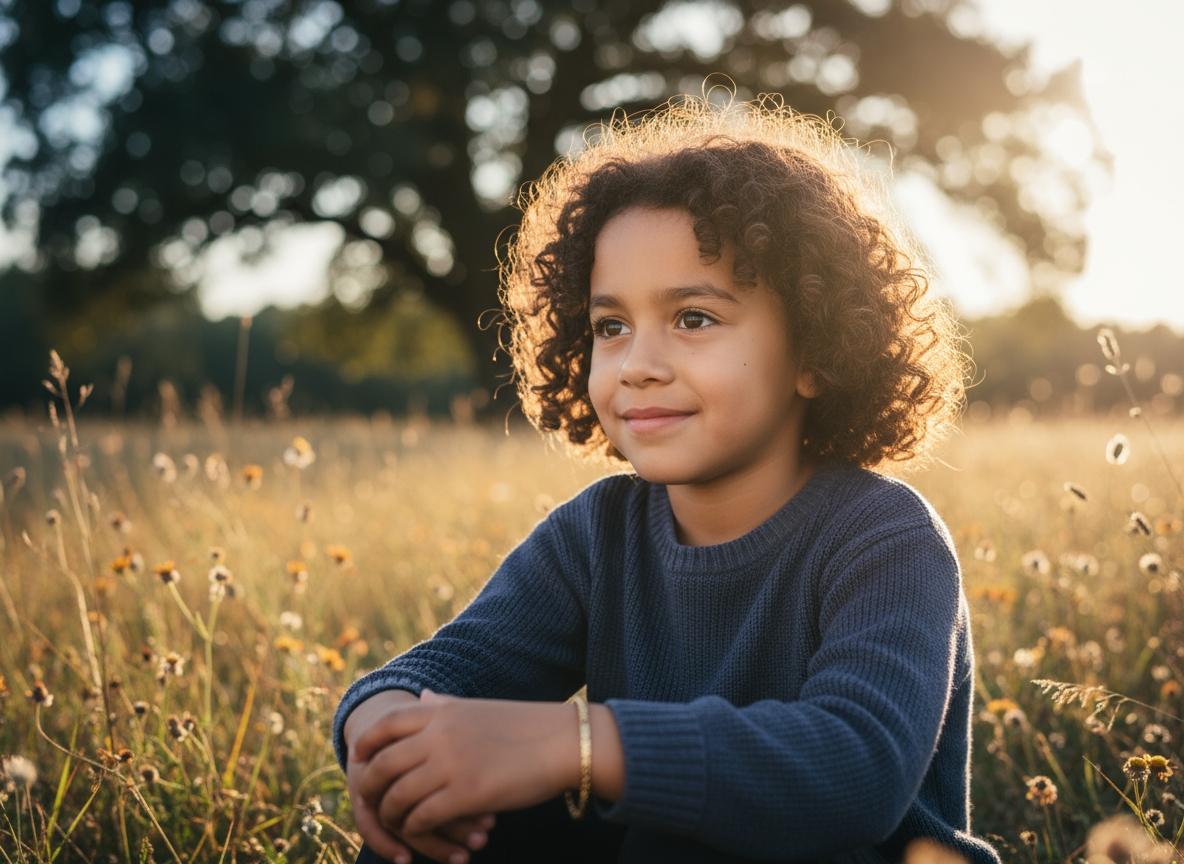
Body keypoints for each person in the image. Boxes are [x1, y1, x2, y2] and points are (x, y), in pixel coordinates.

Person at [333, 96, 1001, 864]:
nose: (638, 364)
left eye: (692, 318)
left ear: (815, 351)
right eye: (610, 327)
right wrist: (387, 732)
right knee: (439, 827)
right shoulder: (597, 533)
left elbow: (856, 772)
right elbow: (441, 672)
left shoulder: (885, 538)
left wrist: (578, 741)